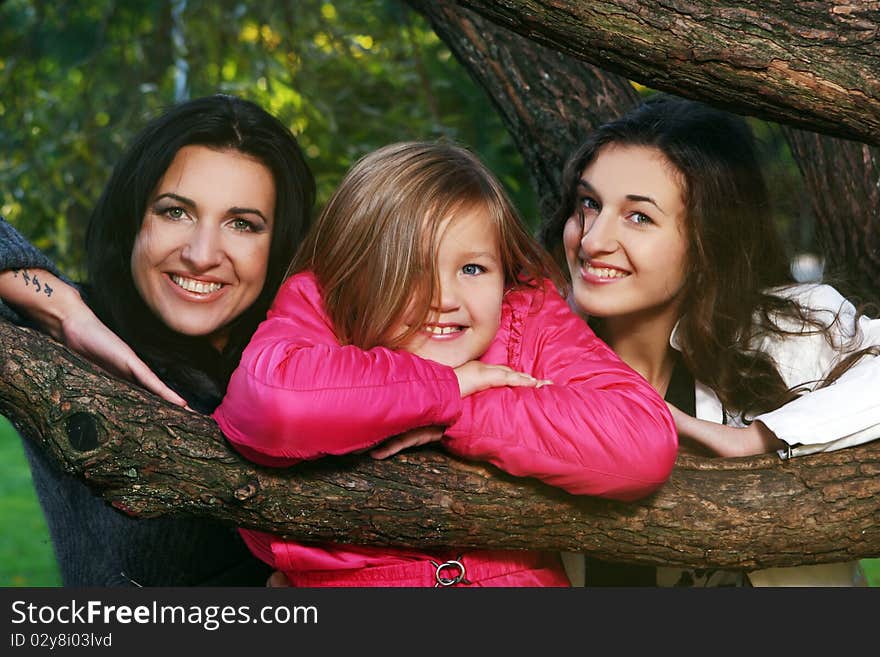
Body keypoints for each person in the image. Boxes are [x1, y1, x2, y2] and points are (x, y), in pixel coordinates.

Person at [212, 141, 678, 587]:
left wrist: (462, 411)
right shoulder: (324, 301)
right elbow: (276, 405)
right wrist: (444, 389)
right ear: (360, 273)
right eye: (413, 268)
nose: (446, 299)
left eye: (473, 269)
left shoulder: (525, 314)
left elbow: (643, 443)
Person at [540, 94, 880, 587]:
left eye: (639, 217)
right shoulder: (524, 342)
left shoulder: (792, 328)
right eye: (589, 204)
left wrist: (759, 436)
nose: (592, 241)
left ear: (706, 241)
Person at [0, 93, 315, 585]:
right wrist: (63, 312)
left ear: (278, 246)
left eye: (242, 224)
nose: (201, 254)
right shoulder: (69, 345)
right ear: (133, 220)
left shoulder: (312, 365)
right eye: (176, 212)